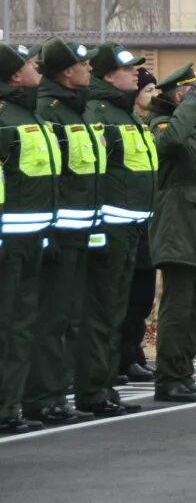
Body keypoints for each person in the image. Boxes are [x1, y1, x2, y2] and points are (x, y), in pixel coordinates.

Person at [24, 38, 106, 423]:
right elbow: (52, 180)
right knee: (51, 319)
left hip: (82, 232)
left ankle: (58, 393)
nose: (89, 69)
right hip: (58, 233)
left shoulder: (77, 112)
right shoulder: (50, 111)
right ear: (65, 71)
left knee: (70, 317)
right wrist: (52, 232)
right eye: (83, 64)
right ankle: (45, 397)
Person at [76, 42, 159, 417]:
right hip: (109, 228)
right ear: (109, 75)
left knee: (117, 311)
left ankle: (104, 385)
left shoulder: (123, 114)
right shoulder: (98, 113)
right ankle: (93, 389)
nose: (137, 74)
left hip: (131, 226)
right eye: (129, 69)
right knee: (103, 310)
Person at [145, 65, 196, 403]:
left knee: (194, 309)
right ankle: (169, 378)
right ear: (178, 94)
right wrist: (189, 106)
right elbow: (170, 142)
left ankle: (183, 374)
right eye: (191, 91)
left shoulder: (195, 125)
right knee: (176, 309)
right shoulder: (162, 123)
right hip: (178, 227)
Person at [0, 43, 60, 432]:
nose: (36, 68)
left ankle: (11, 406)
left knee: (21, 327)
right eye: (29, 65)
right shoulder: (7, 119)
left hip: (32, 238)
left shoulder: (32, 115)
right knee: (8, 328)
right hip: (9, 243)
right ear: (14, 76)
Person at [119, 66, 161, 383]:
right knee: (127, 296)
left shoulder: (145, 128)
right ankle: (124, 356)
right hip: (127, 222)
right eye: (147, 90)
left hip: (148, 221)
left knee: (143, 297)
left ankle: (134, 351)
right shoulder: (129, 125)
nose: (153, 95)